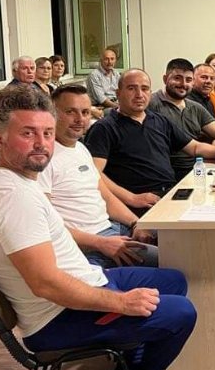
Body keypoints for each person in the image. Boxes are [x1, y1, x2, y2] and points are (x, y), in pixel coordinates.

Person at [0, 85, 196, 370]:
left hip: (84, 283)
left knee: (174, 280)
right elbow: (46, 284)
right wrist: (122, 303)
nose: (41, 143)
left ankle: (128, 364)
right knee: (181, 312)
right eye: (28, 133)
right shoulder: (11, 197)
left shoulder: (19, 180)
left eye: (47, 133)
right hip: (56, 318)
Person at [85, 69, 215, 216]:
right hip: (138, 204)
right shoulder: (104, 128)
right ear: (118, 93)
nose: (139, 94)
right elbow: (94, 174)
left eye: (145, 89)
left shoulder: (159, 120)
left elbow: (194, 147)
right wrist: (132, 198)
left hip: (171, 194)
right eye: (131, 88)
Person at [39, 84, 159, 269]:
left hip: (114, 229)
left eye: (85, 112)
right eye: (70, 112)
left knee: (178, 235)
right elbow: (47, 225)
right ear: (51, 114)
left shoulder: (80, 148)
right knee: (176, 259)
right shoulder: (43, 159)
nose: (79, 119)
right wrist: (100, 243)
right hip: (91, 246)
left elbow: (106, 197)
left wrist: (136, 224)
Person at [149, 58, 215, 181]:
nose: (183, 84)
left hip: (198, 167)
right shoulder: (151, 104)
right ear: (165, 79)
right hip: (167, 174)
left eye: (188, 80)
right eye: (177, 78)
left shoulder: (195, 107)